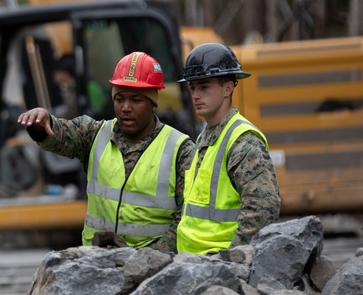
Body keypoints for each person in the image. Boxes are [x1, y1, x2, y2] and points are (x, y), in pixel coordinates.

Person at [16, 51, 195, 251]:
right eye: (119, 99)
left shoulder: (181, 150)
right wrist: (42, 123)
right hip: (98, 262)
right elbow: (62, 134)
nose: (126, 107)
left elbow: (186, 219)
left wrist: (149, 258)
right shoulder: (94, 134)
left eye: (136, 100)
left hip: (153, 269)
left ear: (153, 104)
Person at [176, 42, 281, 254]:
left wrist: (232, 259)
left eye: (204, 86)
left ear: (228, 87)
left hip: (219, 266)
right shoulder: (205, 138)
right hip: (194, 264)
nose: (195, 95)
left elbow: (263, 208)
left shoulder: (243, 141)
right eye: (192, 87)